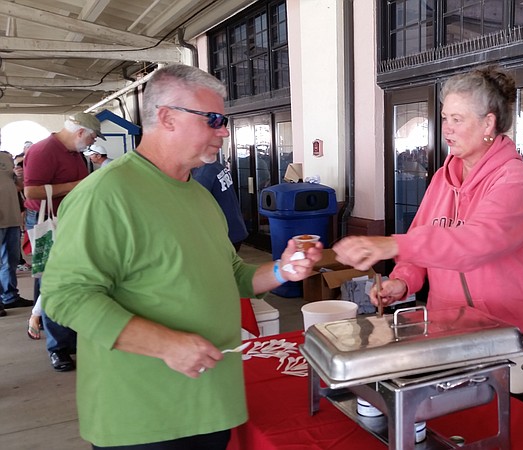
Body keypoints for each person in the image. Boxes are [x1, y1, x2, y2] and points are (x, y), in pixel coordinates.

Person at [41, 63, 322, 449]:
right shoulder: (106, 194)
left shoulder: (198, 194)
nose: (223, 131)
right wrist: (167, 344)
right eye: (213, 119)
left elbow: (235, 275)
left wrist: (282, 269)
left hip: (210, 403)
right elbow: (66, 295)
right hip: (145, 417)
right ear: (167, 117)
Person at [333, 66, 523, 400]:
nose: (446, 129)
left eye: (457, 119)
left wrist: (388, 244)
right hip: (454, 334)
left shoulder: (515, 180)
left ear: (488, 123)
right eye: (444, 119)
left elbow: (472, 244)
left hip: (513, 335)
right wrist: (403, 281)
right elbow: (423, 239)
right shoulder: (444, 178)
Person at [24, 112, 104, 371]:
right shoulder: (43, 151)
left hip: (70, 220)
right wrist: (78, 185)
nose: (91, 142)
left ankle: (69, 338)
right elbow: (32, 191)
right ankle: (58, 347)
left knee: (73, 280)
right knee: (53, 282)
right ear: (80, 132)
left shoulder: (74, 153)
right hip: (49, 224)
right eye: (92, 137)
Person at [191, 160, 248, 250]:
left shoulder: (202, 176)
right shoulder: (215, 166)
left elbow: (196, 207)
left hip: (224, 234)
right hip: (235, 228)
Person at [0, 142, 29, 316]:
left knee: (11, 260)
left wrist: (19, 177)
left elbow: (18, 186)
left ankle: (10, 297)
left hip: (11, 217)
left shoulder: (6, 157)